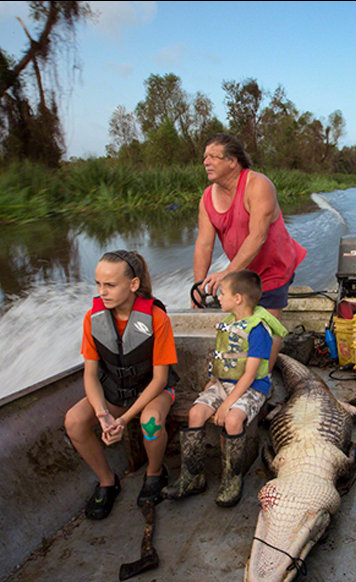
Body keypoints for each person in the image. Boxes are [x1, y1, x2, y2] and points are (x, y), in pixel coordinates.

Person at [64, 250, 179, 520]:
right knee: (73, 421)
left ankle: (154, 473)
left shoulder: (157, 319)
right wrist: (103, 414)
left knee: (150, 423)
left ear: (133, 284)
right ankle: (107, 481)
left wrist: (124, 419)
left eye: (110, 285)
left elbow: (160, 379)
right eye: (98, 284)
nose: (102, 292)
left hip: (154, 391)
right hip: (115, 391)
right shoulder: (92, 319)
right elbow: (91, 375)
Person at [164, 270, 288, 507]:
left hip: (251, 387)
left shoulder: (258, 330)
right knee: (195, 413)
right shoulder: (229, 323)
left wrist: (228, 403)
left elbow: (250, 374)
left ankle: (232, 478)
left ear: (238, 298)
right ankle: (193, 476)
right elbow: (223, 358)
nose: (218, 297)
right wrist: (212, 382)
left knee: (232, 421)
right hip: (223, 384)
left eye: (222, 293)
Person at [193, 133, 307, 370]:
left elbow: (258, 236)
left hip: (273, 266)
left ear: (233, 161)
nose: (206, 162)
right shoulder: (206, 197)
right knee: (242, 321)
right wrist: (198, 287)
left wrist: (227, 273)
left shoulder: (258, 185)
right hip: (243, 270)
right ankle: (242, 374)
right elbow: (204, 243)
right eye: (205, 157)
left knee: (265, 328)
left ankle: (262, 381)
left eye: (214, 157)